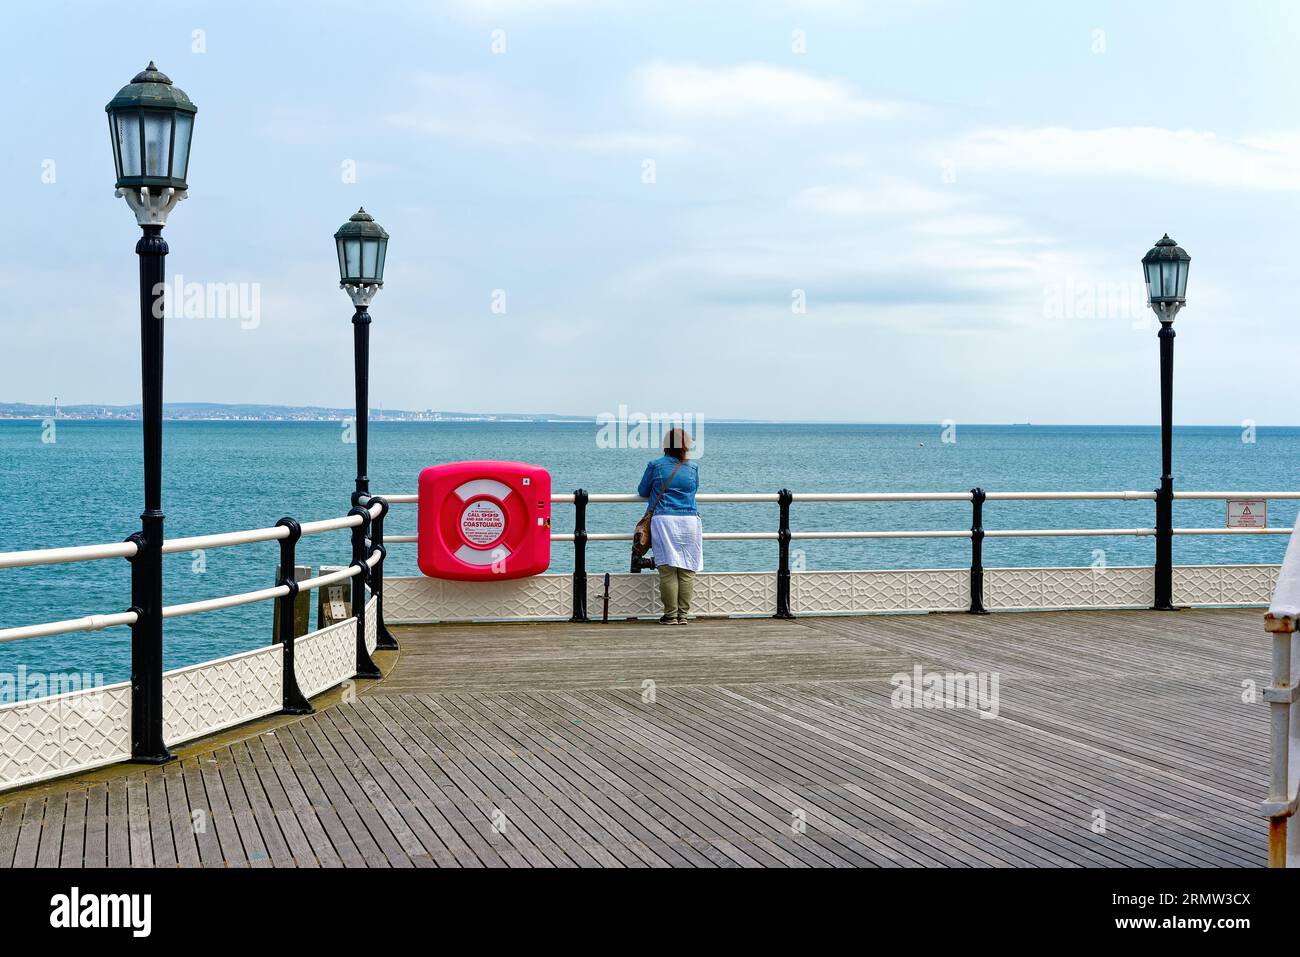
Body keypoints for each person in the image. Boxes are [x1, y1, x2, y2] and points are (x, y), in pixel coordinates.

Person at [637, 428, 701, 624]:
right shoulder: (693, 468)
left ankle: (670, 615)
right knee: (687, 569)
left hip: (664, 519)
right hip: (690, 520)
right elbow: (694, 489)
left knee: (667, 568)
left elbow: (642, 490)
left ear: (666, 445)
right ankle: (683, 615)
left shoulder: (655, 466)